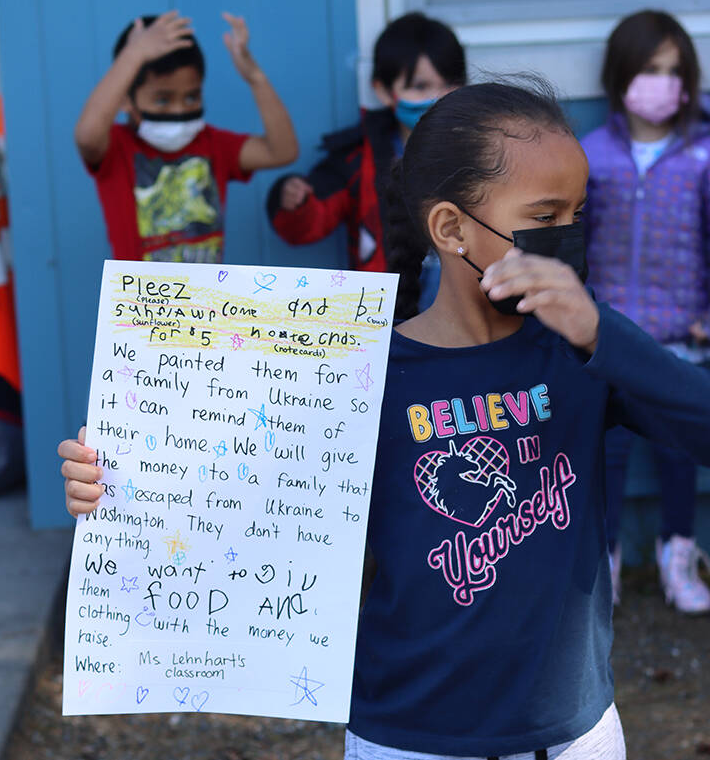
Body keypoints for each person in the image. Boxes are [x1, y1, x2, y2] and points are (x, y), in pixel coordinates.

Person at [59, 80, 710, 758]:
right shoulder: (364, 372)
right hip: (408, 735)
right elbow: (237, 507)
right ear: (452, 228)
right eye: (545, 217)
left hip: (573, 733)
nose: (567, 237)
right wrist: (116, 487)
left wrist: (600, 330)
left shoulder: (583, 349)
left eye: (578, 213)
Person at [581, 10, 710, 613]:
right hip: (606, 334)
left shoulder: (702, 155)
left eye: (671, 70)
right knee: (603, 453)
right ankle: (602, 559)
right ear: (619, 76)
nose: (658, 82)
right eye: (646, 69)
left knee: (680, 452)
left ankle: (678, 553)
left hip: (681, 334)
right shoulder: (590, 155)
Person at [266, 12, 465, 296]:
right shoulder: (357, 159)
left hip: (471, 319)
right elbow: (307, 226)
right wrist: (294, 201)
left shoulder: (486, 150)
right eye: (420, 87)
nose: (438, 97)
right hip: (388, 321)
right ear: (383, 91)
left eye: (450, 83)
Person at [75, 10, 297, 261]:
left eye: (191, 97)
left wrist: (256, 78)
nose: (179, 111)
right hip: (138, 300)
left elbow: (282, 151)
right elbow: (87, 136)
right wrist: (134, 54)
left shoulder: (213, 144)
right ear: (125, 99)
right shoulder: (117, 148)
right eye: (162, 100)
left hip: (203, 300)